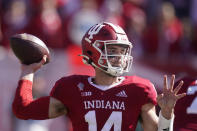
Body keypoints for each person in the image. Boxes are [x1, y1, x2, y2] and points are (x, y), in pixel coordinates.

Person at [12, 22, 186, 131]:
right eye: (112, 50)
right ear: (91, 51)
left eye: (122, 51)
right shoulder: (71, 88)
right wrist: (27, 71)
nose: (119, 56)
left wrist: (167, 114)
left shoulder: (138, 89)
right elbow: (23, 110)